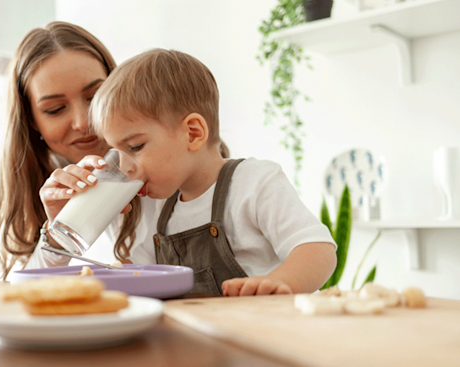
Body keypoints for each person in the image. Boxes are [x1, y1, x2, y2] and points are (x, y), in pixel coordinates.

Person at [89, 48, 338, 296]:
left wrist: (280, 283)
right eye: (117, 151)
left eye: (135, 147)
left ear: (193, 133)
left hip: (271, 327)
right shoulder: (157, 210)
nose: (124, 166)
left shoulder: (255, 182)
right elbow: (141, 280)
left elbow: (318, 250)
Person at [0, 21, 149, 279]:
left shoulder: (164, 166)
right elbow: (29, 291)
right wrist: (56, 236)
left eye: (95, 96)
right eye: (55, 109)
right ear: (32, 120)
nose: (83, 122)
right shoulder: (44, 187)